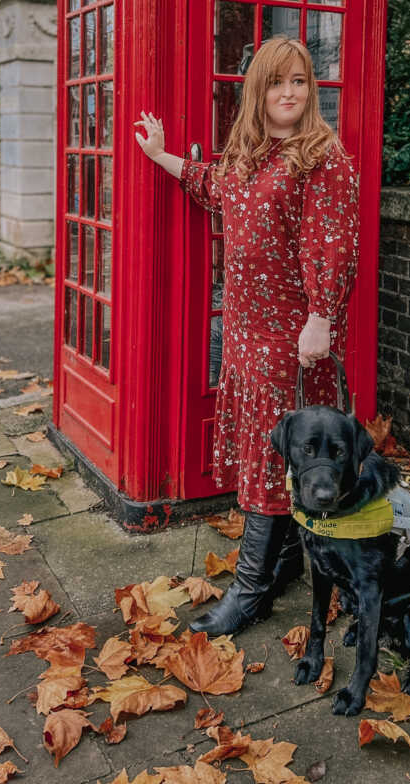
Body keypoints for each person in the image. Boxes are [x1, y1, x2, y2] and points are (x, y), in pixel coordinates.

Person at [134, 35, 360, 635]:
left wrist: (322, 317)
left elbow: (333, 244)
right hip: (241, 331)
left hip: (290, 336)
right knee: (270, 454)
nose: (290, 93)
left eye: (300, 81)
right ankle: (284, 562)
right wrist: (161, 156)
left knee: (270, 456)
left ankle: (251, 588)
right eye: (277, 81)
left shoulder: (322, 157)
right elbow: (210, 185)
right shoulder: (249, 157)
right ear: (257, 90)